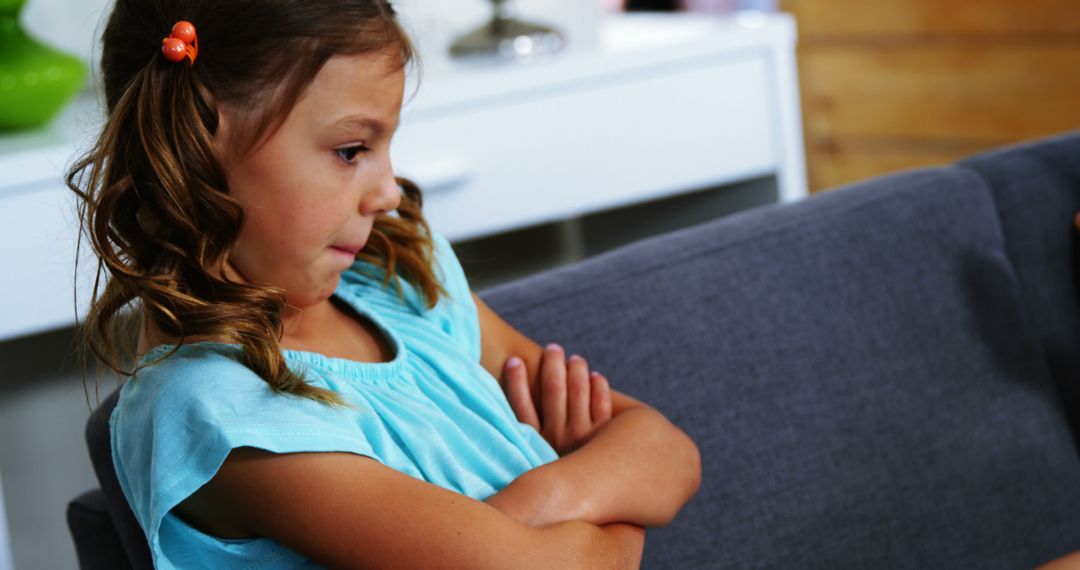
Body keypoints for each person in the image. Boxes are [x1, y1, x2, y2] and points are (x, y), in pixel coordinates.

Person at [65, 1, 702, 568]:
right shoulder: (214, 408)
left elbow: (668, 451)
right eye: (350, 150)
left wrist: (548, 497)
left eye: (387, 145)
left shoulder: (400, 281)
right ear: (198, 148)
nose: (390, 190)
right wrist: (614, 500)